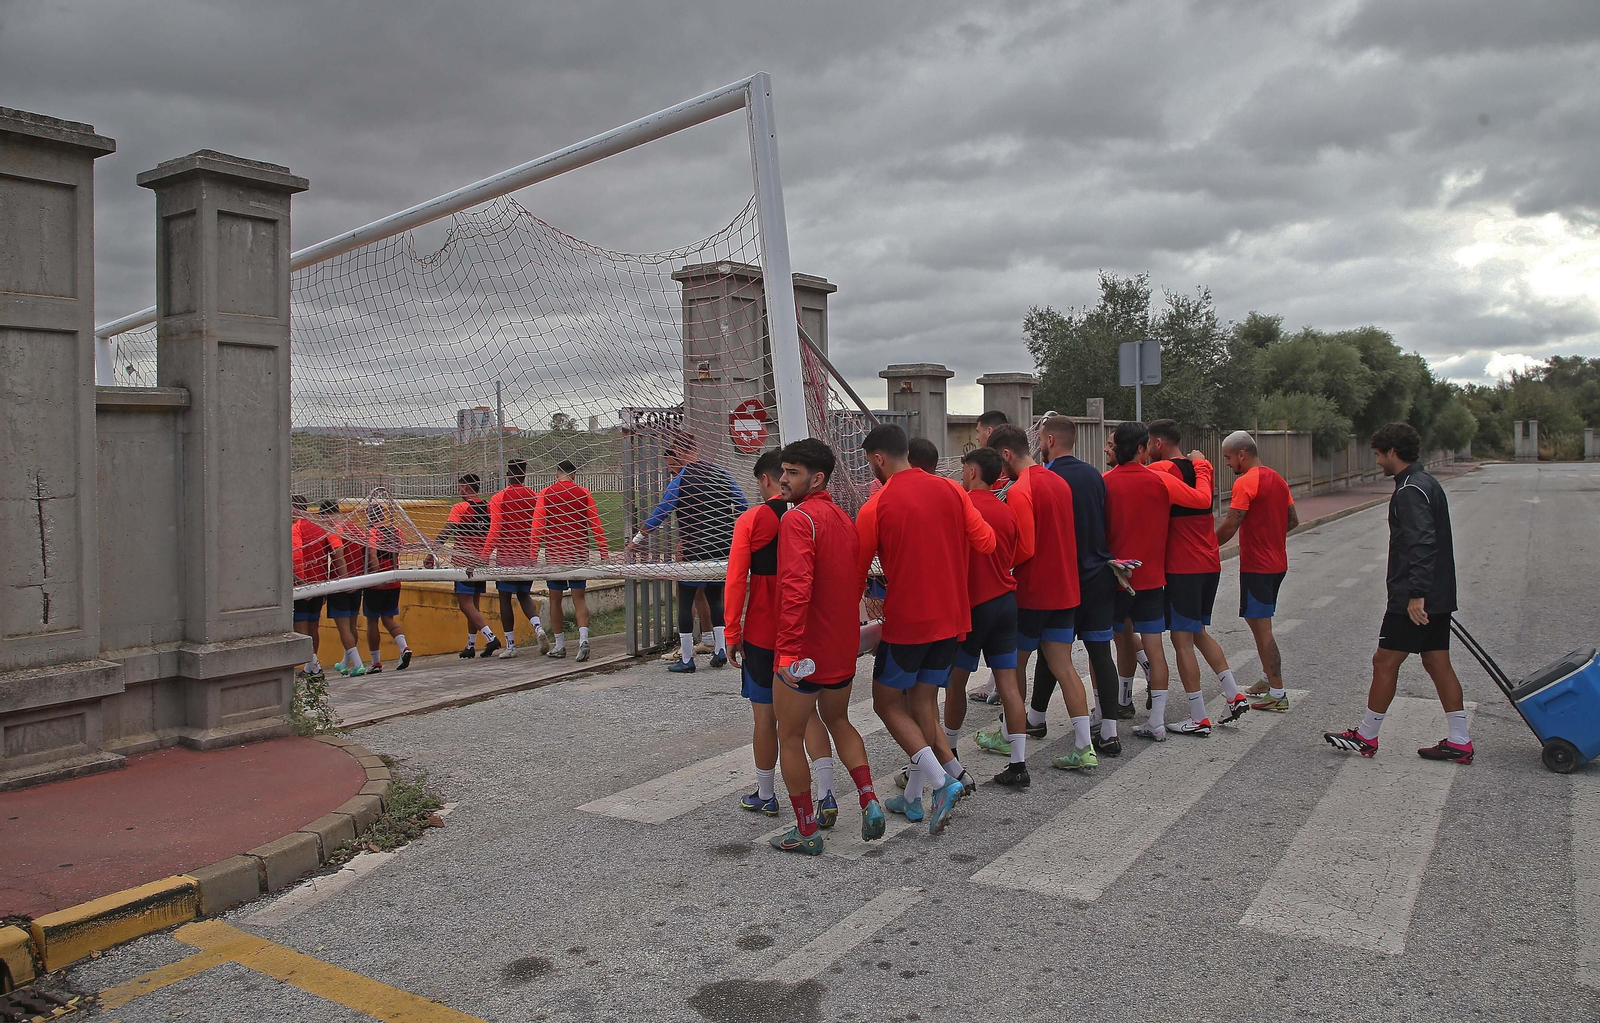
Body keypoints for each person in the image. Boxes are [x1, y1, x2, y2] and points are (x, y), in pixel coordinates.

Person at [857, 424, 994, 832]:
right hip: (952, 618)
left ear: (879, 459)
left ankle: (941, 782)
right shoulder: (953, 490)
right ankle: (914, 797)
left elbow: (854, 572)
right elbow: (985, 541)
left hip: (909, 622)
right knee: (923, 704)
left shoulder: (876, 507)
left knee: (886, 702)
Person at [768, 439, 887, 854]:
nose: (783, 479)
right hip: (841, 645)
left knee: (790, 734)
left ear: (816, 478)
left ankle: (805, 830)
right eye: (783, 470)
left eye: (793, 472)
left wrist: (785, 651)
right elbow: (853, 582)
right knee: (839, 721)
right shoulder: (842, 517)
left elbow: (796, 589)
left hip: (805, 650)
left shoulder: (798, 519)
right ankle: (869, 799)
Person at [1326, 423, 1471, 762]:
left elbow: (1422, 543)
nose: (1377, 461)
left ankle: (1366, 735)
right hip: (1436, 593)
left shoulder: (1409, 490)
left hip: (1414, 598)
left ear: (1392, 452)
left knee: (1385, 660)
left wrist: (1416, 595)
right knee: (1437, 662)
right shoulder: (1427, 482)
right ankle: (1460, 739)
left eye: (1378, 454)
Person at [991, 414, 1128, 758]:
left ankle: (1012, 733)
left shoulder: (1023, 488)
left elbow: (1026, 547)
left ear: (1006, 455)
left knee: (1013, 666)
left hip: (1035, 590)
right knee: (1064, 665)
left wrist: (1004, 564)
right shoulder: (1062, 482)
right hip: (1069, 588)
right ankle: (1085, 747)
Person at [725, 449, 840, 822]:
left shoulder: (754, 519)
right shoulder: (817, 515)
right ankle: (827, 794)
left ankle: (765, 793)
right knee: (808, 717)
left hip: (763, 632)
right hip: (805, 631)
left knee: (765, 718)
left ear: (765, 479)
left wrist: (731, 631)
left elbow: (736, 579)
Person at [1146, 419, 1248, 724]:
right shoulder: (1201, 468)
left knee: (1181, 641)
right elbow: (1203, 496)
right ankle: (1234, 694)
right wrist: (1202, 464)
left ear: (1158, 444)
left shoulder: (1161, 470)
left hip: (1183, 565)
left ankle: (1198, 716)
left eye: (1149, 444)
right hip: (1208, 561)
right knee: (1198, 633)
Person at [1103, 421, 1193, 741]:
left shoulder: (1105, 482)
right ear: (1142, 449)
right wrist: (1199, 465)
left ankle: (1120, 701)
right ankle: (1156, 718)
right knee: (1154, 647)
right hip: (1152, 577)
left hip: (1115, 578)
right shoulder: (1161, 480)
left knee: (1119, 641)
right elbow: (1199, 500)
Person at [945, 447, 1028, 788]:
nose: (961, 475)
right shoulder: (1008, 511)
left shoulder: (963, 509)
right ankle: (1019, 762)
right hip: (1006, 601)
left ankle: (948, 751)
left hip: (973, 604)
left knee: (956, 682)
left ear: (972, 472)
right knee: (1008, 682)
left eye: (964, 469)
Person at [630, 434, 747, 672]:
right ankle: (721, 650)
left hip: (694, 548)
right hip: (721, 547)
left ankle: (686, 658)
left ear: (679, 453)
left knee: (685, 599)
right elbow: (743, 503)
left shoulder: (681, 480)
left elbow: (661, 512)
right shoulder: (722, 474)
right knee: (715, 598)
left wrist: (637, 540)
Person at [1215, 431, 1298, 711]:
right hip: (1277, 563)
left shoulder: (1246, 482)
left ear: (1241, 454)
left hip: (1257, 567)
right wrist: (1270, 534)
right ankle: (1266, 678)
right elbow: (1293, 520)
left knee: (1262, 630)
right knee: (1259, 623)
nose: (1227, 463)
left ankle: (1278, 692)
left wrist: (1205, 547)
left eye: (1228, 457)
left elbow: (1229, 526)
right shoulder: (1277, 479)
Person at [534, 459, 609, 662]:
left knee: (556, 601)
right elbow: (596, 523)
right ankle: (583, 640)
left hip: (556, 556)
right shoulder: (584, 493)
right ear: (574, 475)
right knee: (579, 599)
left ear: (557, 474)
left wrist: (533, 554)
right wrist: (604, 551)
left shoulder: (546, 493)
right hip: (578, 554)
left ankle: (559, 645)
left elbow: (538, 526)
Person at [433, 474, 501, 659]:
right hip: (481, 563)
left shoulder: (460, 507)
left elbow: (448, 530)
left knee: (465, 604)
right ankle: (470, 645)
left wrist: (432, 552)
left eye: (460, 486)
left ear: (465, 487)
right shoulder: (488, 507)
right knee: (474, 605)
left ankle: (491, 637)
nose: (458, 489)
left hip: (464, 564)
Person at [483, 458, 546, 659]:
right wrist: (533, 554)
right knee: (524, 595)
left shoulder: (499, 498)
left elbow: (495, 530)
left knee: (505, 598)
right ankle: (538, 628)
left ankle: (511, 644)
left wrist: (484, 555)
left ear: (508, 474)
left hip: (507, 558)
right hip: (527, 556)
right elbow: (539, 528)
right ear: (525, 474)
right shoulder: (535, 497)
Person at [362, 502, 412, 672]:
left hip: (377, 583)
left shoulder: (372, 533)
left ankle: (376, 662)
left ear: (370, 516)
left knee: (372, 621)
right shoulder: (397, 531)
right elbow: (399, 549)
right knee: (389, 618)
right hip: (394, 580)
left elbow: (373, 555)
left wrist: (375, 575)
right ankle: (404, 647)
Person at [326, 500, 370, 675]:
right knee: (352, 624)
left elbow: (339, 556)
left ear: (326, 515)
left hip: (341, 582)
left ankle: (358, 664)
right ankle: (345, 662)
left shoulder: (335, 530)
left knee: (343, 627)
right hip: (357, 580)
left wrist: (344, 580)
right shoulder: (355, 528)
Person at [291, 495, 332, 681]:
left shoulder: (295, 528)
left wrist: (300, 582)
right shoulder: (319, 526)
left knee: (300, 628)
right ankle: (311, 667)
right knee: (314, 625)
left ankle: (314, 666)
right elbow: (335, 550)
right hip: (319, 583)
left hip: (302, 586)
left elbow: (297, 556)